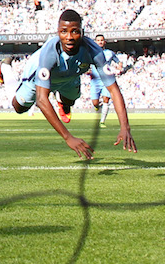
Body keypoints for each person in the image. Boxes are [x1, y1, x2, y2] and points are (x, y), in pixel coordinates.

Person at [10, 9, 136, 159]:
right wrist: (68, 137)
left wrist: (125, 126)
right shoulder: (50, 52)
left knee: (69, 101)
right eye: (64, 32)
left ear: (82, 32)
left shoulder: (94, 51)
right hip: (37, 78)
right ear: (58, 32)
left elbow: (113, 89)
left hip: (69, 78)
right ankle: (6, 70)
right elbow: (41, 99)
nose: (69, 37)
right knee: (18, 108)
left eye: (75, 32)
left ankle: (61, 100)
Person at [89, 34, 121, 128]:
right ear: (95, 42)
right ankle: (97, 107)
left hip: (107, 79)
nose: (100, 42)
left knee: (106, 99)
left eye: (102, 40)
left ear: (104, 42)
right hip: (95, 80)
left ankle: (102, 122)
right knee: (95, 102)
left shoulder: (110, 53)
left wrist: (119, 67)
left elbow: (118, 61)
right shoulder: (91, 53)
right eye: (98, 40)